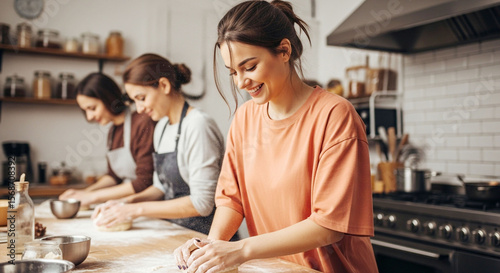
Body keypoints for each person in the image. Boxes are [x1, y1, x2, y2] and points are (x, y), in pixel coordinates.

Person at [174, 1, 378, 273]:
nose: (240, 82)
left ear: (284, 50)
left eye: (250, 67)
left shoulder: (335, 115)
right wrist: (210, 247)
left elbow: (328, 226)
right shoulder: (244, 119)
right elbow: (231, 201)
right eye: (233, 72)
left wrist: (240, 249)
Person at [91, 53, 225, 236]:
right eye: (135, 101)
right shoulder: (162, 127)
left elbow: (202, 204)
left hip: (206, 238)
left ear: (164, 85)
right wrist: (127, 203)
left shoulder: (198, 125)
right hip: (176, 231)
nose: (139, 109)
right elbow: (161, 187)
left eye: (141, 98)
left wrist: (135, 211)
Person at [59, 73, 156, 207]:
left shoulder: (141, 122)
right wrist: (83, 193)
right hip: (127, 206)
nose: (89, 117)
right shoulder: (113, 131)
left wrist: (92, 197)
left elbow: (144, 181)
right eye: (85, 111)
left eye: (92, 108)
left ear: (107, 98)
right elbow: (113, 177)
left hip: (148, 205)